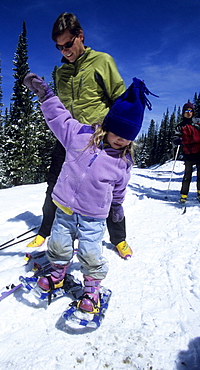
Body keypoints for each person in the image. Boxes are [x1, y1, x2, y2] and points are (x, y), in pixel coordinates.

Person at [23, 73, 156, 313]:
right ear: (108, 126)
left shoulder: (122, 162)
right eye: (119, 133)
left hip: (93, 217)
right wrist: (46, 95)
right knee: (59, 245)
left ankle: (92, 288)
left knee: (89, 252)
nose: (122, 140)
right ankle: (58, 274)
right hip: (64, 209)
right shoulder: (80, 136)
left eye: (129, 137)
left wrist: (116, 208)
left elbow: (119, 189)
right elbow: (60, 119)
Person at [28, 12, 132, 259]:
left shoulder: (102, 61)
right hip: (69, 138)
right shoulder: (62, 73)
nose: (64, 51)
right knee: (54, 182)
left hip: (98, 140)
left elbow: (119, 98)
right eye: (58, 47)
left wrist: (123, 135)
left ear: (80, 36)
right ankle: (46, 229)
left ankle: (119, 238)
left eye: (67, 44)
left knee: (105, 191)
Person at [173, 102, 200, 203]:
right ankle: (184, 195)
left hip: (199, 151)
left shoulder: (198, 122)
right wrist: (177, 140)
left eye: (190, 111)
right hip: (188, 152)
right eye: (186, 111)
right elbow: (174, 137)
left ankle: (199, 193)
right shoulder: (180, 126)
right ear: (183, 113)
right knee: (187, 175)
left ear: (193, 112)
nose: (188, 113)